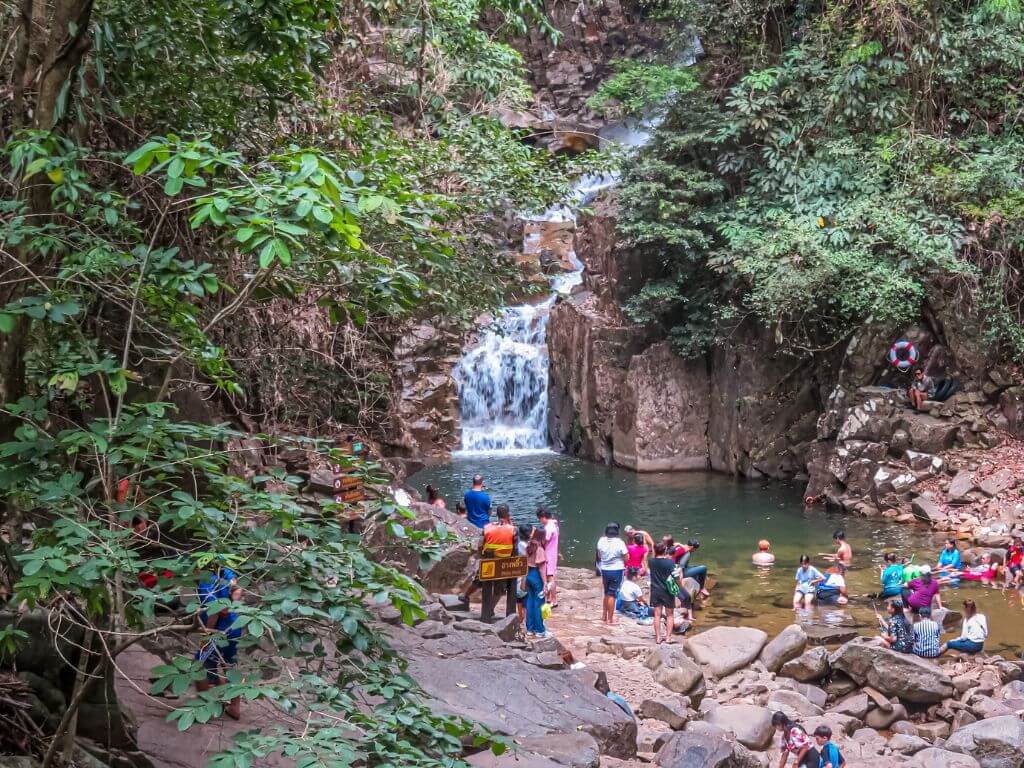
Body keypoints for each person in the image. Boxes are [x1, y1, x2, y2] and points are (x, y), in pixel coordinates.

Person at [196, 584, 244, 719]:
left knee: (199, 665)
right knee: (229, 665)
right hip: (234, 626)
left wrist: (207, 635)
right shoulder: (227, 573)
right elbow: (237, 589)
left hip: (218, 630)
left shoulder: (207, 582)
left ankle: (205, 708)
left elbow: (215, 611)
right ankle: (235, 707)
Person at [480, 504, 517, 623]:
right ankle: (491, 609)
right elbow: (515, 549)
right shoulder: (513, 529)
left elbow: (480, 545)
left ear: (496, 514)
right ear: (508, 514)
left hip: (488, 564)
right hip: (504, 565)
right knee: (500, 590)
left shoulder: (487, 528)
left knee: (486, 587)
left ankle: (486, 612)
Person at [648, 543, 680, 644]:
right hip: (667, 591)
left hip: (655, 590)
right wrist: (680, 585)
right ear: (665, 550)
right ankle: (668, 638)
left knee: (657, 615)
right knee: (670, 615)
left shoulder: (651, 561)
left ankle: (658, 638)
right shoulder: (670, 562)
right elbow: (676, 576)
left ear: (655, 550)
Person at [596, 523, 628, 625]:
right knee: (612, 594)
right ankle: (610, 619)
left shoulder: (601, 541)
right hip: (617, 570)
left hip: (604, 569)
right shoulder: (620, 542)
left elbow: (599, 556)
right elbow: (626, 557)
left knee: (606, 593)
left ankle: (604, 615)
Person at [524, 526, 549, 638]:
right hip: (536, 576)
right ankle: (540, 630)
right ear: (542, 537)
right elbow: (541, 568)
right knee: (539, 603)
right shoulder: (540, 549)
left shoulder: (529, 546)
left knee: (530, 602)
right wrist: (545, 583)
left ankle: (530, 629)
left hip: (528, 575)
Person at [537, 507, 560, 608]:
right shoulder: (554, 524)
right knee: (549, 576)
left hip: (549, 554)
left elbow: (544, 541)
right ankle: (549, 598)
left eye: (540, 519)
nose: (540, 521)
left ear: (543, 517)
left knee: (550, 577)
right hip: (553, 552)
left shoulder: (548, 528)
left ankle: (553, 600)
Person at [516, 523, 533, 624]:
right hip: (524, 574)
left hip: (521, 573)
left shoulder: (520, 544)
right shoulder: (524, 545)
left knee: (520, 596)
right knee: (524, 596)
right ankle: (524, 618)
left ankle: (521, 616)